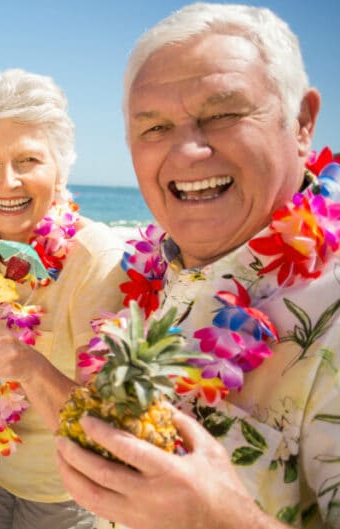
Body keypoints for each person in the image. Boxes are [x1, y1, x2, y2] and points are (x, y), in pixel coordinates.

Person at [52, 4, 339, 529]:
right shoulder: (150, 273)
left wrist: (221, 517)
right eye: (155, 127)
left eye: (224, 114)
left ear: (301, 123)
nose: (188, 151)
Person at [0, 69, 126, 529]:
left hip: (67, 493)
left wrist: (27, 364)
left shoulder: (99, 261)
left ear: (60, 169)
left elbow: (106, 429)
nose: (8, 182)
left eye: (29, 160)